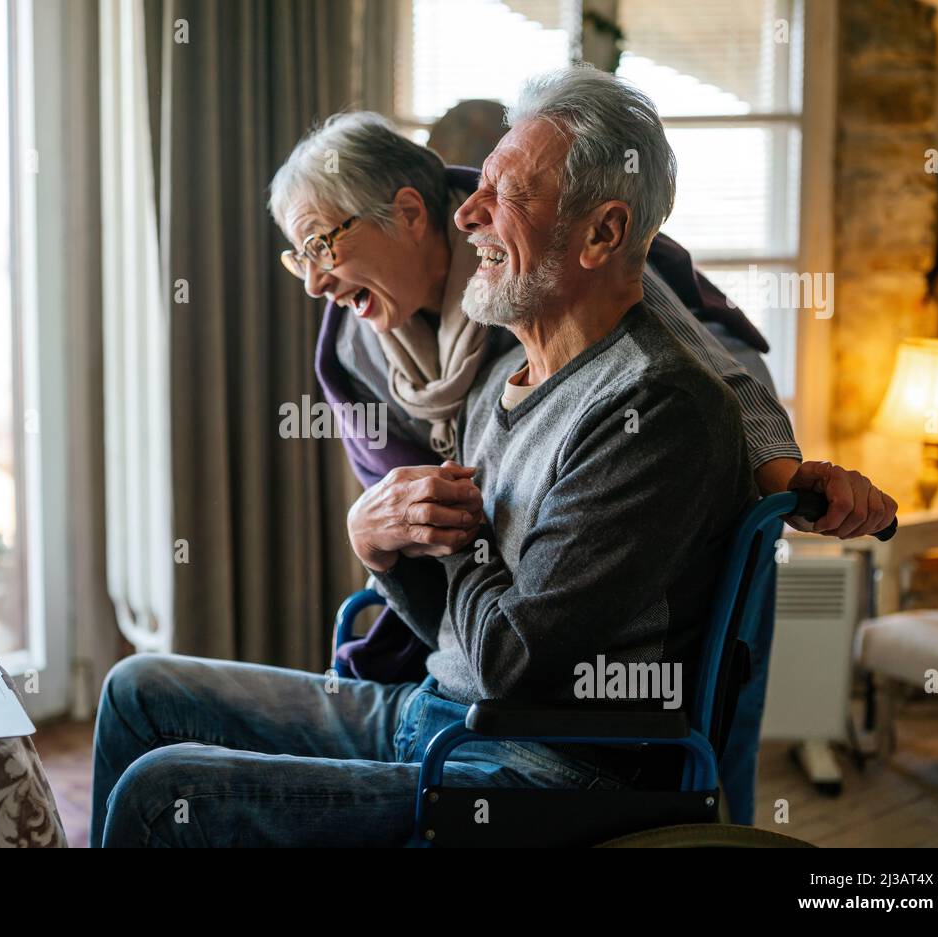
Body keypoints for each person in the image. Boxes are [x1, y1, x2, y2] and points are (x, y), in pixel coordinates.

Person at [94, 68, 761, 847]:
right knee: (137, 688)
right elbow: (461, 631)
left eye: (505, 196)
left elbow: (514, 662)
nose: (468, 211)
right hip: (439, 714)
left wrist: (462, 540)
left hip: (540, 769)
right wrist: (384, 549)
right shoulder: (501, 380)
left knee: (161, 792)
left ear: (602, 234)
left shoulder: (655, 408)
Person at [265, 105, 897, 824]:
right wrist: (389, 529)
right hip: (487, 608)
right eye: (298, 256)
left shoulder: (541, 264)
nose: (313, 281)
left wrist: (782, 475)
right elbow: (405, 511)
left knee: (711, 721)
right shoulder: (352, 346)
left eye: (320, 245)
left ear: (410, 212)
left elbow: (713, 371)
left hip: (608, 547)